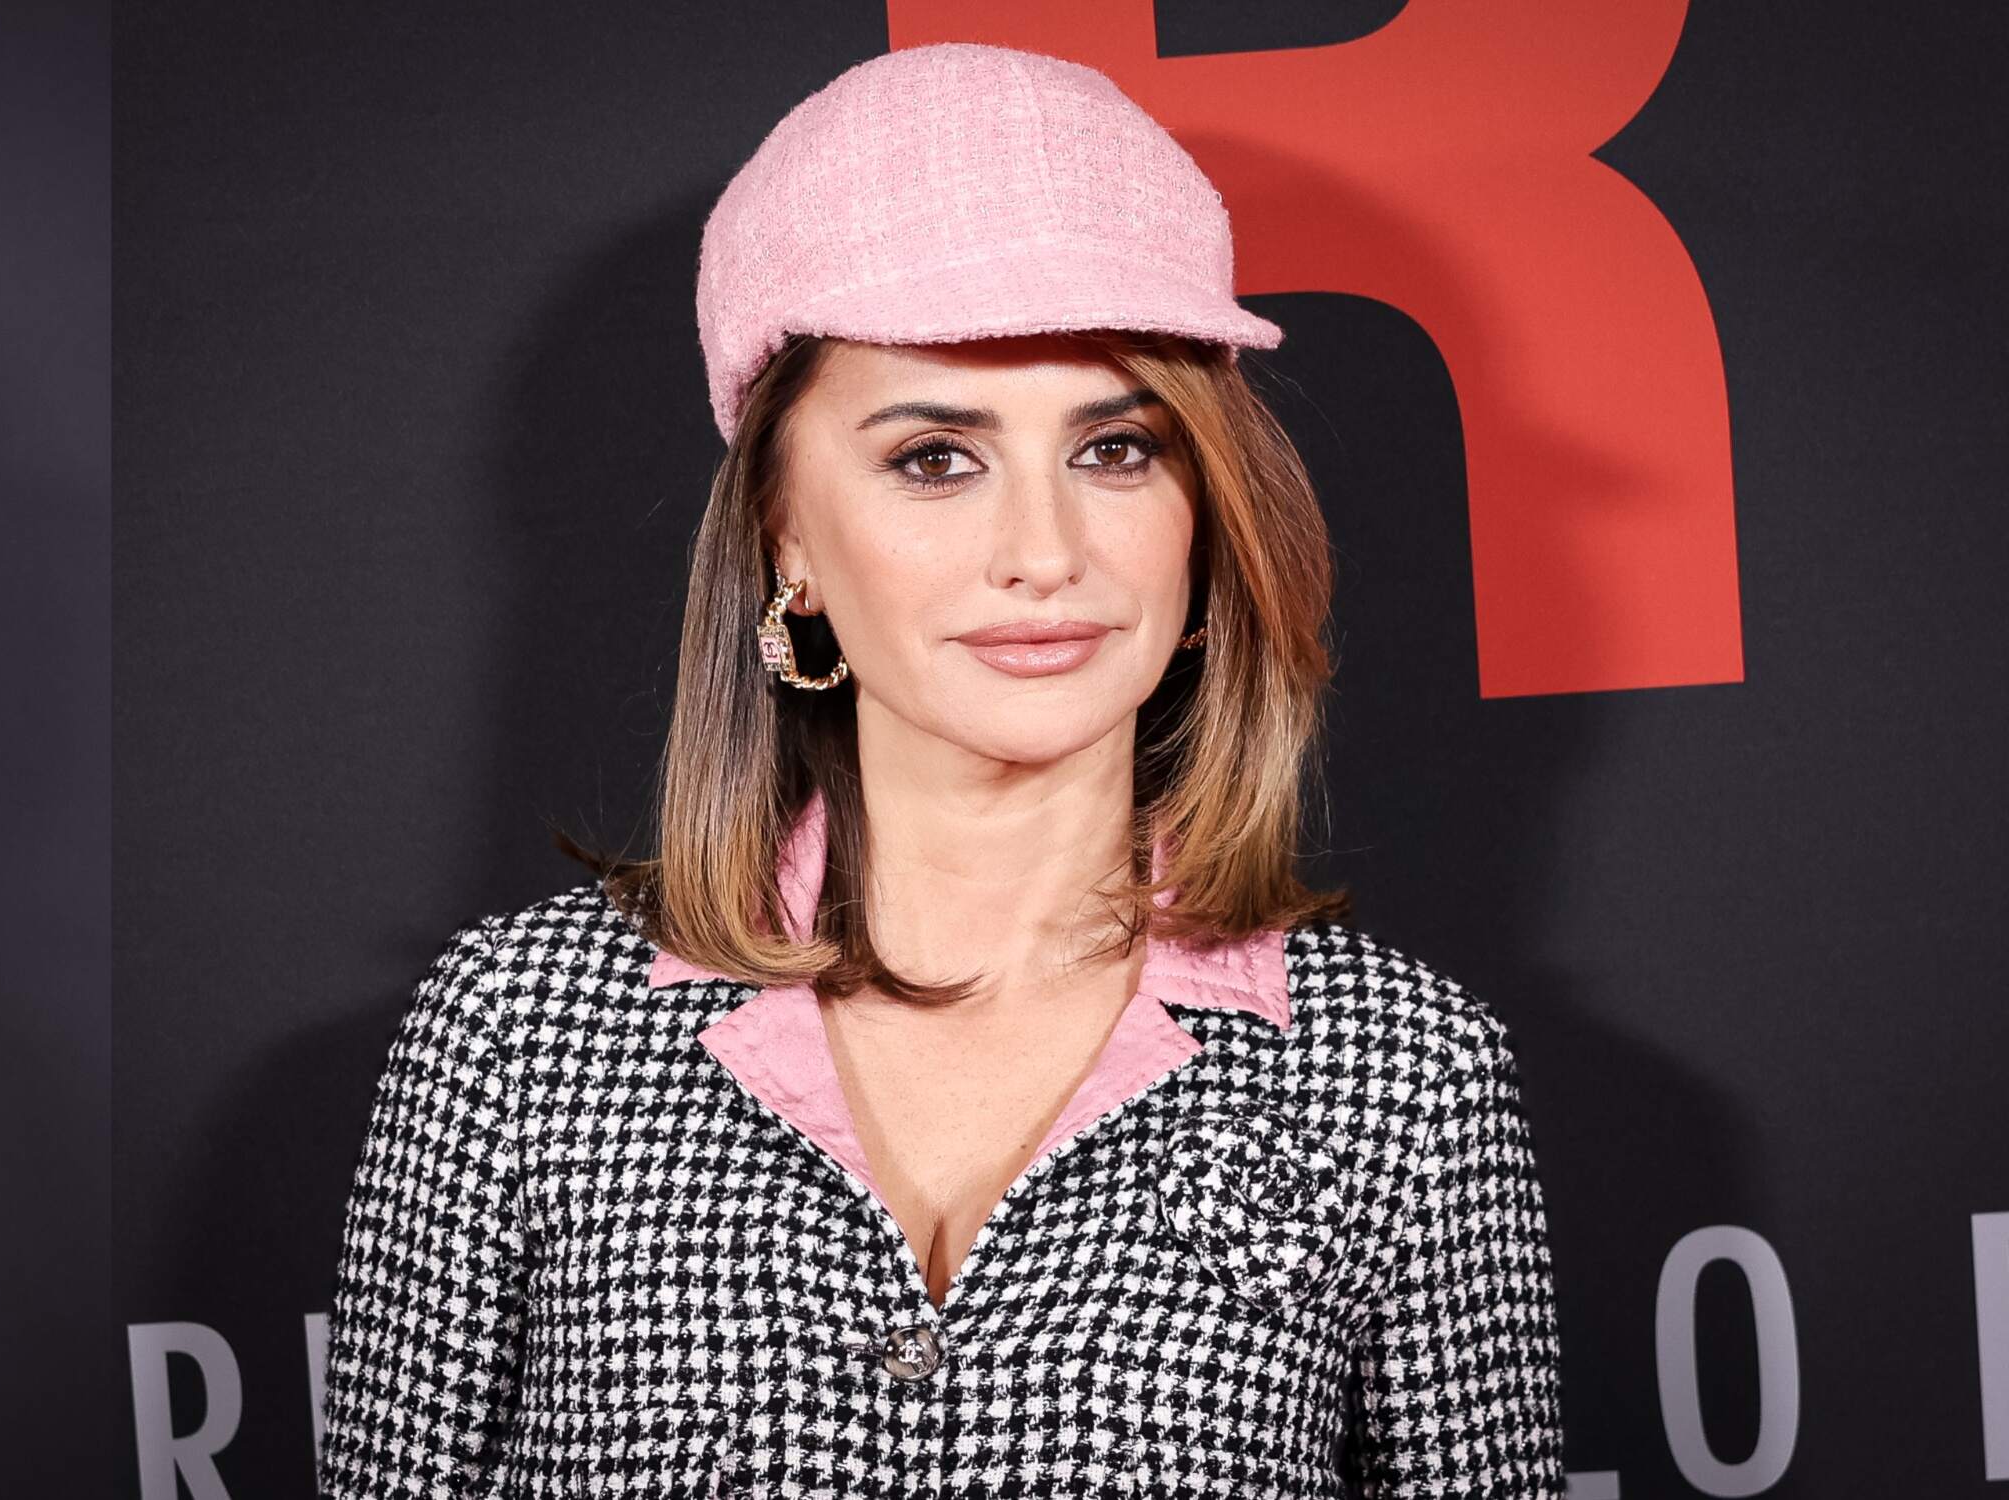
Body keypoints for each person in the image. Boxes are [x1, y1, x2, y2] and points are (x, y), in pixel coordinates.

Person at [315, 42, 1561, 1497]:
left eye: (1116, 450)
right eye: (934, 459)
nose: (1045, 552)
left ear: (1208, 509)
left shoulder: (1405, 1079)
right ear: (785, 531)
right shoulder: (517, 1039)